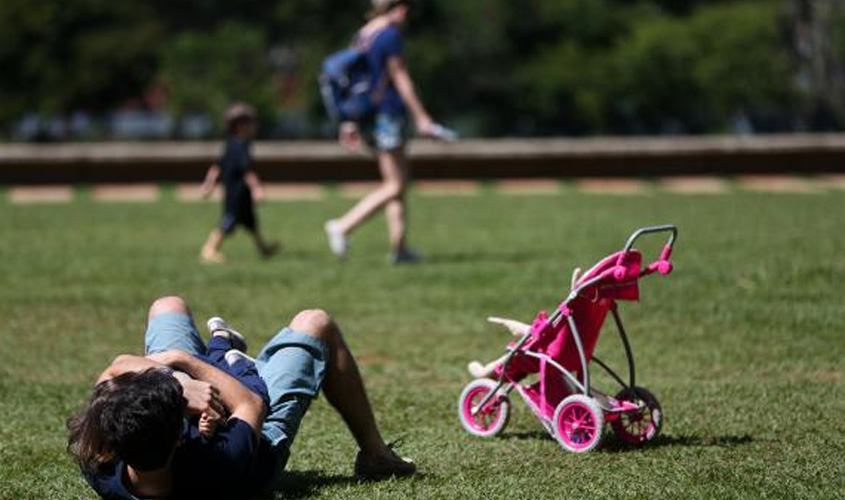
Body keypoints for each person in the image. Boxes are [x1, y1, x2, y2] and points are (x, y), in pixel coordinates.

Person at [68, 296, 415, 499]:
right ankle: (375, 455)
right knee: (316, 322)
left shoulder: (100, 461)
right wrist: (184, 363)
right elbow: (249, 403)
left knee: (167, 305)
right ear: (179, 435)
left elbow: (114, 370)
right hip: (257, 432)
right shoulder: (221, 463)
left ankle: (217, 354)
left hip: (176, 406)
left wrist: (175, 381)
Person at [324, 0, 445, 264]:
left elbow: (351, 81)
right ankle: (343, 226)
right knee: (396, 184)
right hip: (389, 114)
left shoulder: (364, 34)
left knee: (396, 182)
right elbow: (400, 77)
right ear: (399, 9)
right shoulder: (389, 36)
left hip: (370, 115)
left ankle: (400, 249)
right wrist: (422, 118)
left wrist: (349, 121)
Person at [199, 103, 278, 264]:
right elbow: (247, 171)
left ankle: (263, 249)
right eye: (251, 123)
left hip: (240, 192)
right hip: (236, 192)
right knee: (228, 221)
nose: (254, 126)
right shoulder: (240, 146)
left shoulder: (231, 144)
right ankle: (209, 249)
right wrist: (257, 189)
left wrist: (209, 185)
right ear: (241, 125)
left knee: (251, 222)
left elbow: (216, 167)